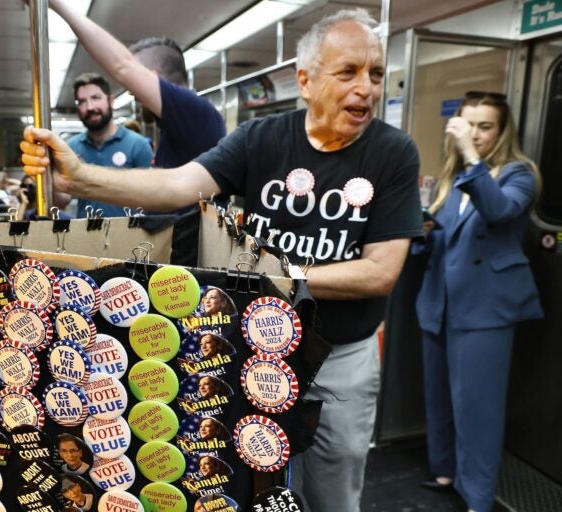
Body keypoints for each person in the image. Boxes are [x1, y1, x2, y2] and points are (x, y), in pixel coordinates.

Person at [21, 8, 422, 511]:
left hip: (339, 359)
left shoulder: (394, 153)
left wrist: (276, 278)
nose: (366, 87)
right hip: (255, 351)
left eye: (376, 73)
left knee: (333, 488)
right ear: (305, 80)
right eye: (348, 72)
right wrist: (80, 178)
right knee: (253, 485)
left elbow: (380, 272)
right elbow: (177, 185)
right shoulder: (263, 139)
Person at [414, 91, 543, 512]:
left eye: (484, 126)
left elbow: (500, 212)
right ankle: (445, 470)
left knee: (478, 408)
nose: (475, 134)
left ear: (502, 131)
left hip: (486, 309)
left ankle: (478, 497)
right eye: (468, 124)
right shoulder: (451, 179)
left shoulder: (518, 174)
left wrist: (470, 156)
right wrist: (420, 235)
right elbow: (443, 236)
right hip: (441, 302)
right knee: (440, 398)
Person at [46, 0, 226, 266]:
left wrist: (57, 5)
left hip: (192, 263)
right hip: (173, 256)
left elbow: (122, 67)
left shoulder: (196, 112)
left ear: (150, 77)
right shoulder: (178, 128)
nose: (130, 91)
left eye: (135, 83)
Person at [64, 72, 153, 219]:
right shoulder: (71, 148)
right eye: (82, 101)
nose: (90, 107)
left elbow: (150, 198)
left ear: (111, 101)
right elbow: (62, 200)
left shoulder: (138, 145)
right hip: (85, 237)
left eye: (95, 98)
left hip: (129, 236)